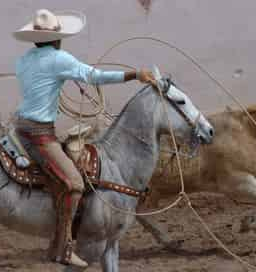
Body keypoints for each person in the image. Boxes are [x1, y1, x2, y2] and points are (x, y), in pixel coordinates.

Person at [12, 9, 154, 267]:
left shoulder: (24, 60)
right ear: (57, 38)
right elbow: (93, 76)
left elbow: (42, 85)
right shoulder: (58, 59)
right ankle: (62, 248)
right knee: (75, 183)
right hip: (39, 133)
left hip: (22, 126)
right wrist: (134, 75)